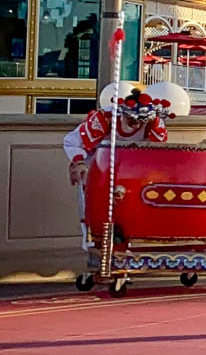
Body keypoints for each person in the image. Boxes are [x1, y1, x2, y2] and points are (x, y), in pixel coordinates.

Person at [64, 87, 172, 250]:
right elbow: (72, 142)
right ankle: (95, 242)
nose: (136, 124)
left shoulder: (153, 123)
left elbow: (156, 152)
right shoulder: (104, 119)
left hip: (132, 172)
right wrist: (79, 163)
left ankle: (130, 241)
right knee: (94, 205)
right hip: (98, 168)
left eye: (140, 122)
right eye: (132, 120)